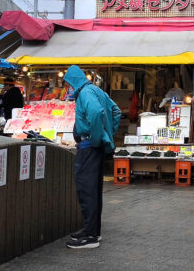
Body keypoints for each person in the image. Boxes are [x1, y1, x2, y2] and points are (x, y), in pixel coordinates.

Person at [63, 65, 121, 249]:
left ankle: (90, 237)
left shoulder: (86, 93)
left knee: (86, 190)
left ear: (73, 81)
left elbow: (96, 113)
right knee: (93, 191)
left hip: (89, 147)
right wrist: (108, 134)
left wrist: (97, 137)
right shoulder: (95, 90)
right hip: (94, 148)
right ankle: (93, 231)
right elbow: (116, 111)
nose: (68, 88)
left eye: (68, 84)